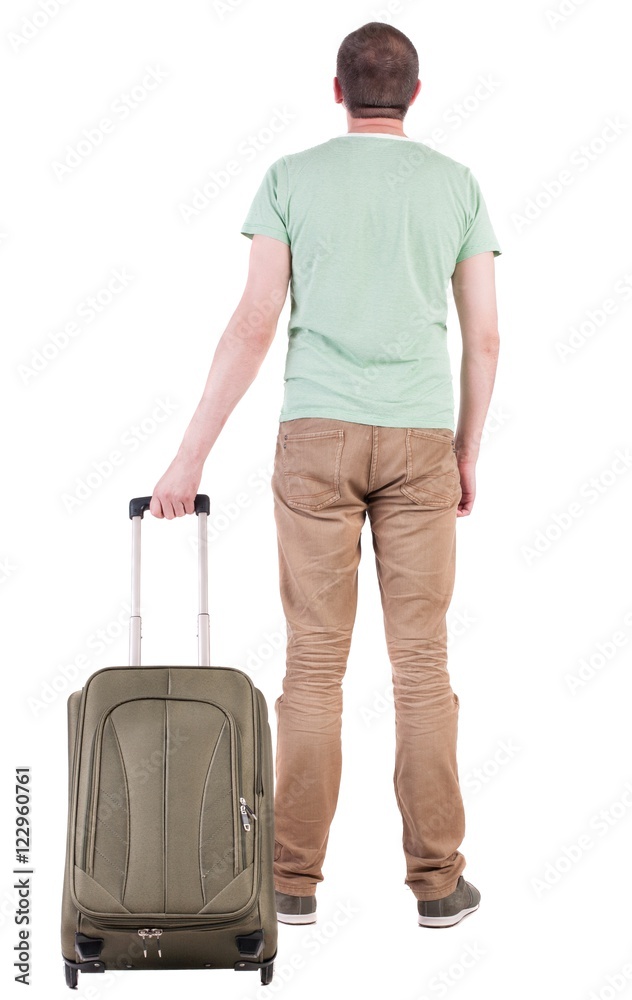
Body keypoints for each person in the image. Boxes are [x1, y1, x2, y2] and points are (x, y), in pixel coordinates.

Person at [150, 21, 501, 929]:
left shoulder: (290, 178)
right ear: (414, 94)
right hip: (421, 438)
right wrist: (466, 450)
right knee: (421, 666)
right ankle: (438, 884)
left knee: (312, 663)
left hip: (314, 438)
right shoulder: (457, 184)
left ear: (338, 91)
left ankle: (290, 883)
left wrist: (188, 456)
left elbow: (253, 321)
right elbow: (485, 338)